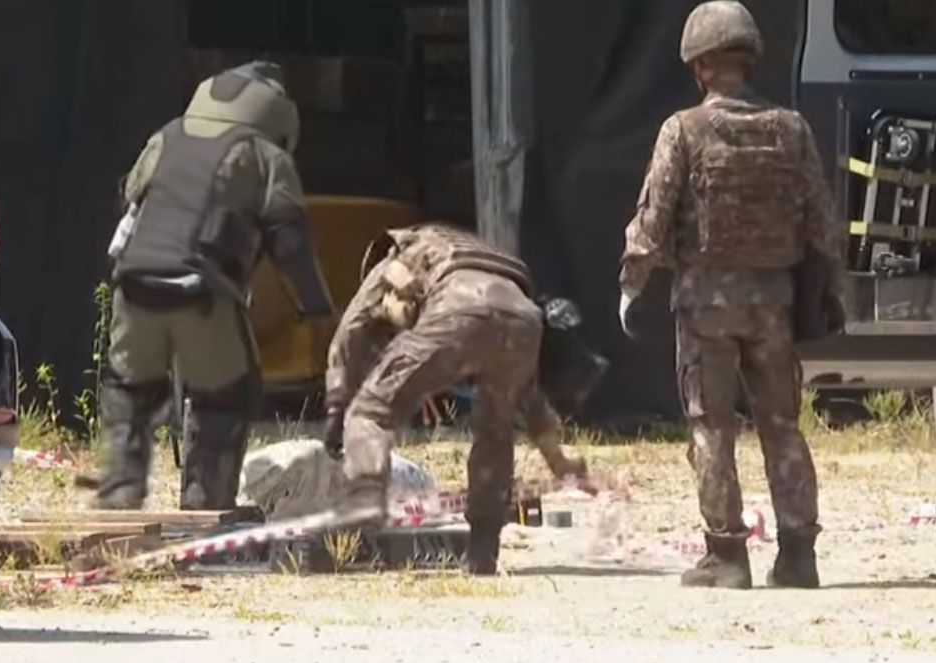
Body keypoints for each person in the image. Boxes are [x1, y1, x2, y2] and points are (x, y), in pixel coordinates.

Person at [618, 1, 845, 589]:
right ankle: (798, 555)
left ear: (699, 66)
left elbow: (652, 218)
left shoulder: (683, 130)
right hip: (773, 303)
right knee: (782, 425)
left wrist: (633, 280)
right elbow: (824, 224)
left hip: (705, 307)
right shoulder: (791, 129)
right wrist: (831, 289)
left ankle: (726, 556)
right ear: (749, 60)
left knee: (712, 428)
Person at [95, 61, 334, 511]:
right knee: (224, 395)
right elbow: (290, 243)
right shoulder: (266, 156)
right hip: (202, 291)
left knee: (130, 391)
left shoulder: (166, 137)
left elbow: (130, 195)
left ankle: (116, 502)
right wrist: (317, 309)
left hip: (134, 282)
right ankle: (205, 507)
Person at [323, 223, 608, 575]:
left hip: (455, 312)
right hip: (524, 322)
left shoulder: (395, 260)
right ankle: (482, 552)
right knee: (495, 433)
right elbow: (530, 399)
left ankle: (362, 507)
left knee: (370, 412)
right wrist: (559, 462)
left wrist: (337, 407)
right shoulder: (477, 255)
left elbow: (351, 330)